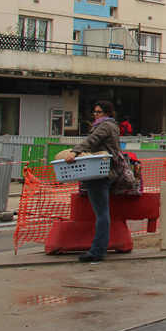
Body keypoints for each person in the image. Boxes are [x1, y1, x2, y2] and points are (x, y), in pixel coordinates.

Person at [60, 101, 121, 264]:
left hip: (100, 174)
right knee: (102, 212)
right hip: (104, 172)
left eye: (98, 112)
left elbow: (92, 140)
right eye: (94, 112)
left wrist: (74, 152)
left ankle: (98, 251)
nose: (95, 115)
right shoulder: (111, 125)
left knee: (101, 212)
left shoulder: (105, 126)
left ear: (107, 113)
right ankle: (98, 249)